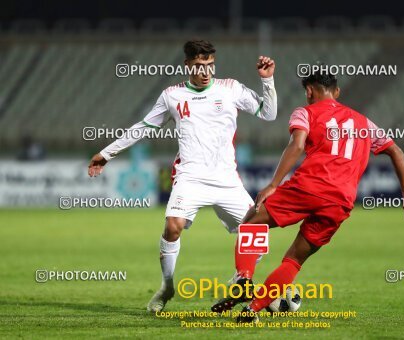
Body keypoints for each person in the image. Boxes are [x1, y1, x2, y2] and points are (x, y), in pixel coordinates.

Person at [210, 65, 404, 322]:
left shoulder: (305, 112)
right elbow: (396, 152)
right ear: (337, 91)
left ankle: (243, 279)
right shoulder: (364, 122)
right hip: (341, 200)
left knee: (251, 223)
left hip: (308, 187)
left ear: (309, 91)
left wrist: (274, 184)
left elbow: (297, 144)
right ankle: (252, 311)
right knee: (294, 260)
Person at [87, 39, 277, 312]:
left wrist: (267, 81)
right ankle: (167, 286)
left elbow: (269, 114)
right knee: (173, 225)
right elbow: (143, 127)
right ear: (187, 65)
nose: (205, 72)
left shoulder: (231, 88)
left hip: (226, 179)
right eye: (199, 66)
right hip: (190, 176)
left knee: (257, 232)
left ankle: (239, 280)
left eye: (210, 66)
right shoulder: (172, 95)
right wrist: (107, 153)